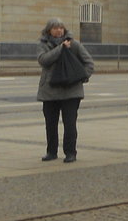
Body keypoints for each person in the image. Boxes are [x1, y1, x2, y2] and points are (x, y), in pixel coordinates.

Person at [36, 17, 95, 163]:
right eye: (55, 28)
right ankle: (51, 152)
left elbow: (89, 63)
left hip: (71, 91)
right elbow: (44, 60)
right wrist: (61, 48)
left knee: (70, 124)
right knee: (50, 123)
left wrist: (81, 78)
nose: (59, 30)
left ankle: (70, 152)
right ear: (49, 30)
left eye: (61, 28)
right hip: (50, 91)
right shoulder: (44, 44)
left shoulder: (74, 44)